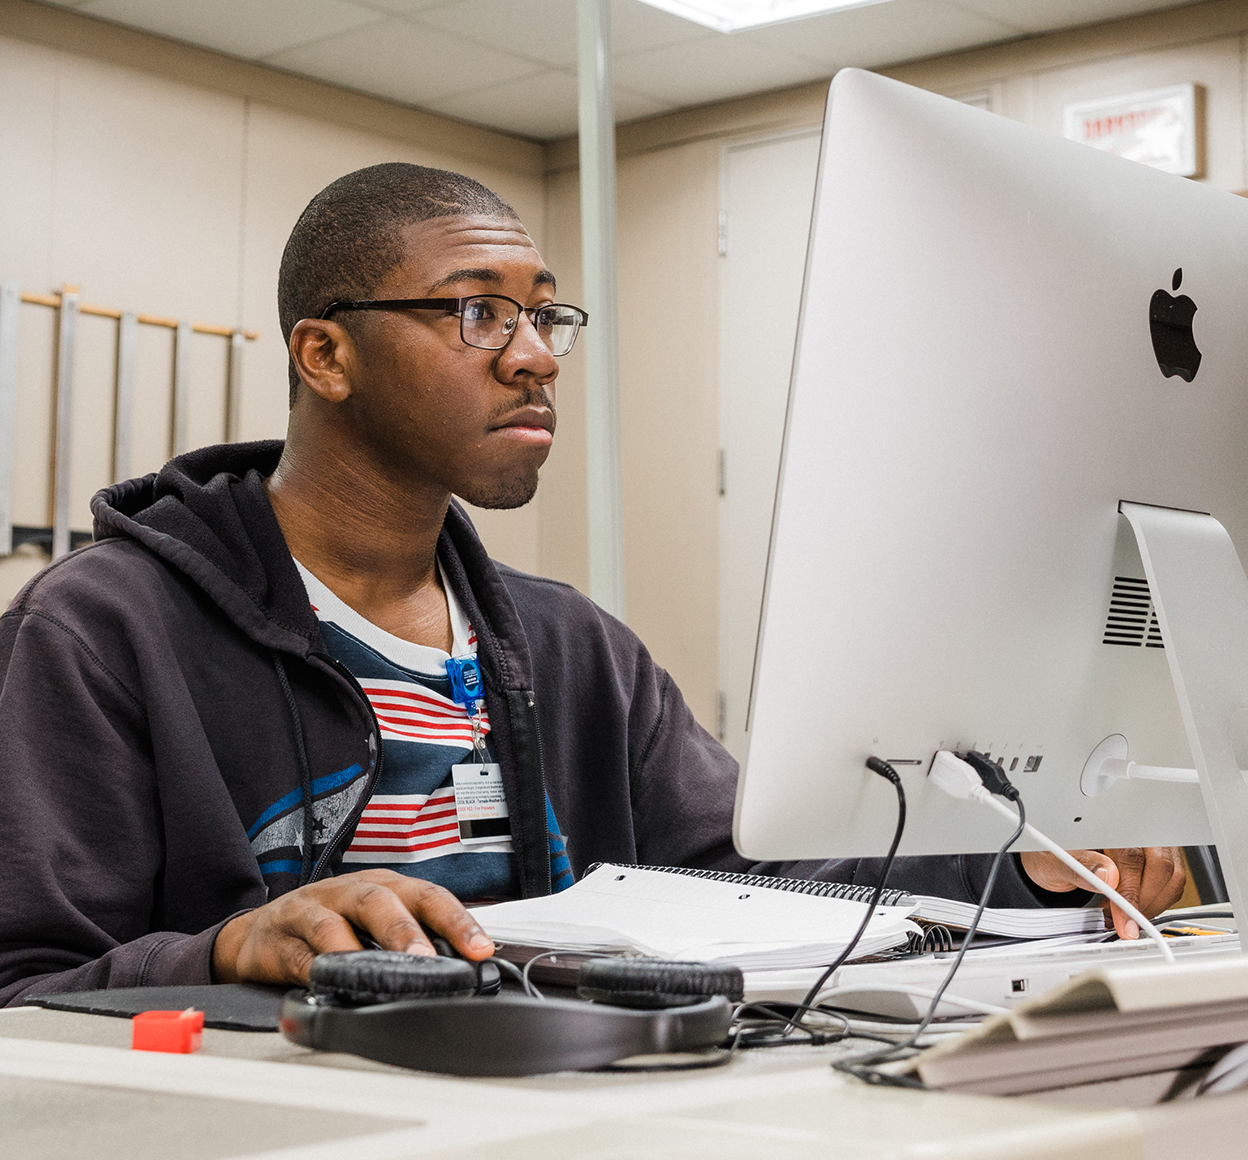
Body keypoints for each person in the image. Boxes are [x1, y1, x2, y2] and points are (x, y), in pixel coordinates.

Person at [0, 164, 1183, 1004]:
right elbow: (26, 979)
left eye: (543, 313)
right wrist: (224, 950)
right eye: (477, 311)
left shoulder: (569, 646)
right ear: (326, 353)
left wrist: (1022, 863)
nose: (533, 354)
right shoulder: (104, 628)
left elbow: (748, 869)